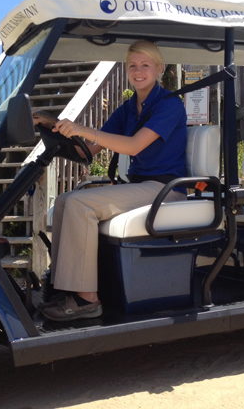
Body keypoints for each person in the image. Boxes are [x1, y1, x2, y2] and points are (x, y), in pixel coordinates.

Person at [35, 40, 187, 321]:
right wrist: (56, 132)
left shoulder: (169, 105)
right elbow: (89, 149)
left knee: (82, 205)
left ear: (159, 69)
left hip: (166, 189)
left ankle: (87, 300)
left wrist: (82, 128)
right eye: (132, 66)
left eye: (145, 65)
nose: (138, 71)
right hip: (141, 187)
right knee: (67, 200)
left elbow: (132, 147)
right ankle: (61, 287)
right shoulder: (129, 108)